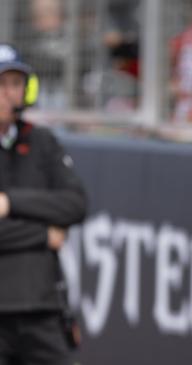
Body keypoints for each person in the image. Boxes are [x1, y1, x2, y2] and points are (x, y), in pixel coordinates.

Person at [0, 43, 87, 364]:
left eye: (15, 84)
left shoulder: (43, 141)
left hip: (43, 309)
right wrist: (41, 235)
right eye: (1, 85)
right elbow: (54, 217)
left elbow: (75, 205)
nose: (9, 94)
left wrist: (9, 204)